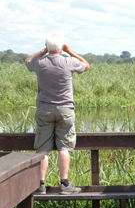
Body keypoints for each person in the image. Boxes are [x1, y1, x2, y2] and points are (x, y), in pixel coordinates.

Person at [25, 32, 90, 194]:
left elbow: (27, 61)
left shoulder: (40, 63)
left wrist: (42, 51)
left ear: (48, 47)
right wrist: (69, 51)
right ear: (62, 47)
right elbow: (86, 65)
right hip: (65, 110)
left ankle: (40, 185)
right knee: (64, 148)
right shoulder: (69, 62)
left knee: (42, 149)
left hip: (44, 110)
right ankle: (65, 184)